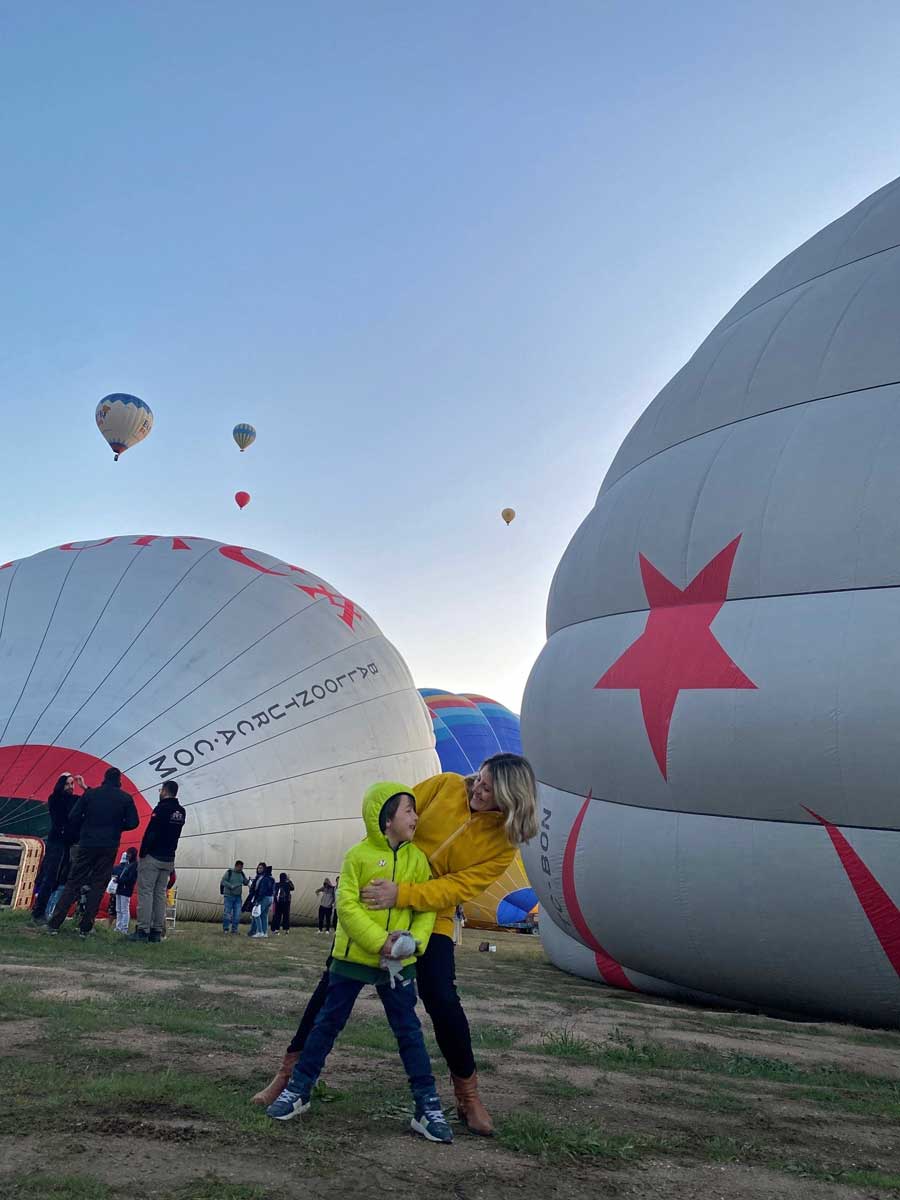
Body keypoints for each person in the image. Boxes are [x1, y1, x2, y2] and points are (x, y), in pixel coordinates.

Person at [251, 753, 538, 1136]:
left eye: (488, 789)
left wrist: (402, 894)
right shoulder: (446, 785)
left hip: (429, 912)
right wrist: (370, 870)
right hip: (381, 889)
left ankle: (467, 1095)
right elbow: (389, 815)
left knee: (442, 998)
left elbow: (458, 887)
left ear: (511, 798)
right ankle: (288, 1075)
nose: (478, 790)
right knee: (331, 984)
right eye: (479, 780)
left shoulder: (504, 842)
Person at [265, 783, 452, 1144]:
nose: (416, 816)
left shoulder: (418, 861)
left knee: (409, 1031)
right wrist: (380, 941)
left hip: (398, 964)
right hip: (353, 959)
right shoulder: (357, 856)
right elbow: (347, 907)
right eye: (408, 810)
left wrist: (412, 944)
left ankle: (427, 1107)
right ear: (386, 820)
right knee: (327, 1023)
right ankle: (300, 1088)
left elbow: (425, 907)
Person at [45, 767, 140, 938]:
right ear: (119, 781)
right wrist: (117, 827)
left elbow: (74, 816)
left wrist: (87, 824)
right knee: (98, 885)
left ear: (104, 778)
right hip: (109, 845)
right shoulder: (125, 798)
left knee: (73, 882)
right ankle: (86, 927)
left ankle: (54, 923)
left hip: (87, 843)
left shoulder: (91, 795)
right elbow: (133, 823)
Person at [129, 781, 186, 944]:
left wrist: (143, 852)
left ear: (165, 791)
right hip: (169, 857)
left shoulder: (161, 809)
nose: (159, 792)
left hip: (153, 856)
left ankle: (142, 930)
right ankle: (156, 931)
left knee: (146, 893)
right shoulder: (181, 812)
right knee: (160, 894)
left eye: (161, 790)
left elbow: (151, 833)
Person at [31, 773, 85, 925]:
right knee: (50, 877)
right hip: (57, 843)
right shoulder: (55, 799)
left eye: (72, 784)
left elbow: (91, 799)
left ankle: (46, 911)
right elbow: (62, 816)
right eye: (68, 784)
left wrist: (84, 786)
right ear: (61, 785)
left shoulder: (75, 800)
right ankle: (39, 911)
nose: (71, 787)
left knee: (59, 879)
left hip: (66, 844)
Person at [112, 848, 138, 933]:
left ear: (133, 854)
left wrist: (119, 880)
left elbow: (130, 879)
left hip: (126, 889)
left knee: (124, 909)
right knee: (118, 909)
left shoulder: (134, 865)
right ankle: (118, 927)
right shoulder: (128, 864)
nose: (127, 855)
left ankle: (124, 928)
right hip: (120, 888)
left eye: (129, 854)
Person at [220, 860, 249, 934]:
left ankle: (234, 930)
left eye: (242, 867)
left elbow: (245, 882)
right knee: (227, 913)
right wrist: (231, 886)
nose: (241, 869)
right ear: (236, 866)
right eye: (240, 867)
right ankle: (226, 929)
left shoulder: (242, 873)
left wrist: (248, 881)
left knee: (237, 914)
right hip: (229, 896)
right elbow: (223, 881)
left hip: (238, 897)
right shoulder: (229, 872)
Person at [250, 865, 275, 938]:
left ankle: (260, 932)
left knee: (256, 914)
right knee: (264, 916)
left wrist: (258, 900)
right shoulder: (271, 878)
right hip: (270, 898)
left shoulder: (264, 879)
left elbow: (262, 891)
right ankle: (265, 932)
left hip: (264, 898)